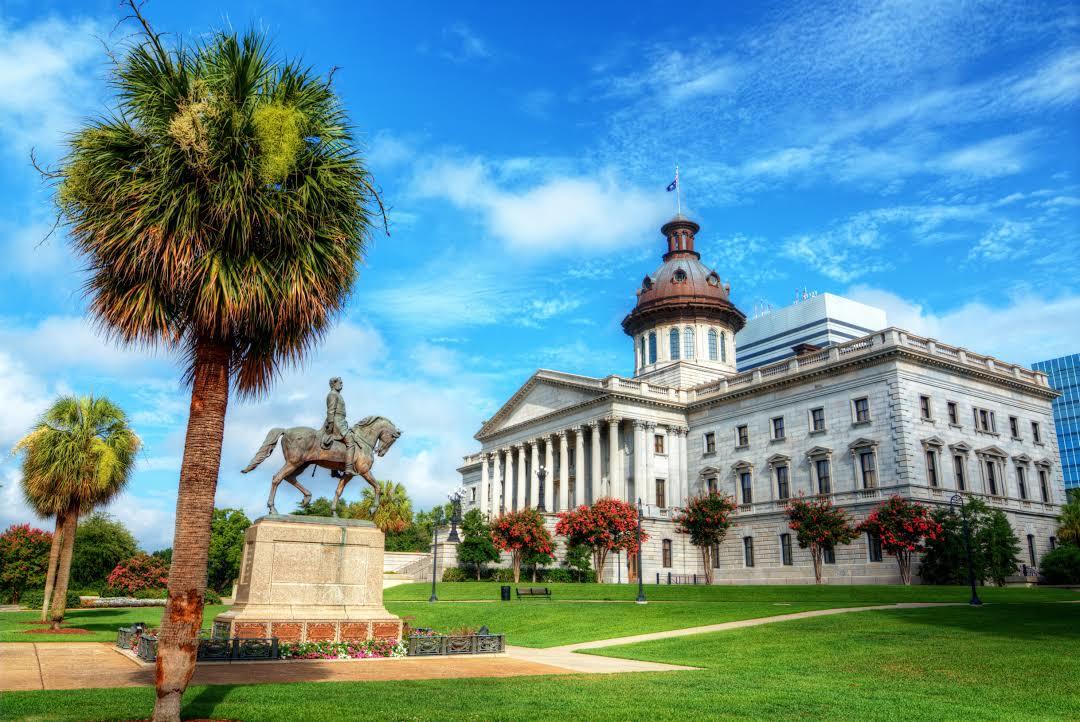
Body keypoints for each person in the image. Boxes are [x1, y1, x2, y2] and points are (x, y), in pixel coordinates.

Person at [321, 377, 357, 474]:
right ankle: (349, 468)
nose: (341, 384)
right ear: (333, 384)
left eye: (342, 383)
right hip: (337, 422)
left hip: (341, 421)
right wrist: (331, 425)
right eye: (340, 383)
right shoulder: (333, 394)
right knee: (350, 442)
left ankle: (334, 469)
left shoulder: (337, 394)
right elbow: (330, 411)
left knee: (339, 444)